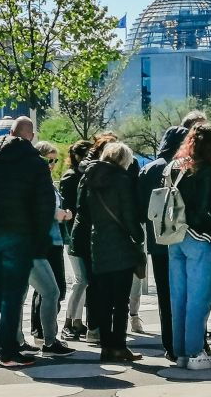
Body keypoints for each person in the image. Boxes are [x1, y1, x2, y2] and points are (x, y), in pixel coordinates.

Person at [0, 116, 56, 368]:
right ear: (30, 136)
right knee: (13, 294)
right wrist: (39, 240)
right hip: (20, 237)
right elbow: (44, 206)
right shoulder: (35, 164)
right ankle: (9, 352)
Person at [75, 141, 144, 363]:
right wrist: (139, 236)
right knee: (120, 300)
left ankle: (106, 347)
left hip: (98, 242)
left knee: (103, 298)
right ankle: (119, 346)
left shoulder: (88, 177)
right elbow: (129, 214)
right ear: (124, 160)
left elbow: (81, 210)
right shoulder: (121, 180)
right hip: (121, 244)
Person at [165, 123, 211, 370]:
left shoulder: (174, 166)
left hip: (173, 235)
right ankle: (194, 351)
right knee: (199, 297)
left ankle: (180, 353)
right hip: (197, 237)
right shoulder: (205, 168)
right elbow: (200, 209)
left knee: (178, 296)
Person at [137, 125, 189, 361]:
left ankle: (169, 343)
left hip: (157, 241)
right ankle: (188, 341)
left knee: (165, 295)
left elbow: (139, 209)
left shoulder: (148, 169)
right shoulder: (185, 167)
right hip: (182, 238)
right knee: (186, 294)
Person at [70, 132, 122, 345]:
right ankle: (96, 328)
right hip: (95, 234)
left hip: (85, 232)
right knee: (98, 283)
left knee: (94, 283)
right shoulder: (107, 175)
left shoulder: (85, 173)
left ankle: (94, 328)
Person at [26, 141, 74, 357]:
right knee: (52, 290)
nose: (52, 164)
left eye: (55, 160)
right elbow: (42, 208)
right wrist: (60, 214)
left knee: (50, 290)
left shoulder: (44, 180)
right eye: (49, 160)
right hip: (43, 241)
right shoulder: (37, 180)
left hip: (51, 239)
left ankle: (45, 335)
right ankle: (46, 337)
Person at [60, 140, 93, 341]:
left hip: (77, 234)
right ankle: (69, 321)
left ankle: (76, 321)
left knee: (83, 280)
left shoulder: (77, 176)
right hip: (75, 235)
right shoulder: (72, 177)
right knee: (81, 279)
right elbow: (69, 209)